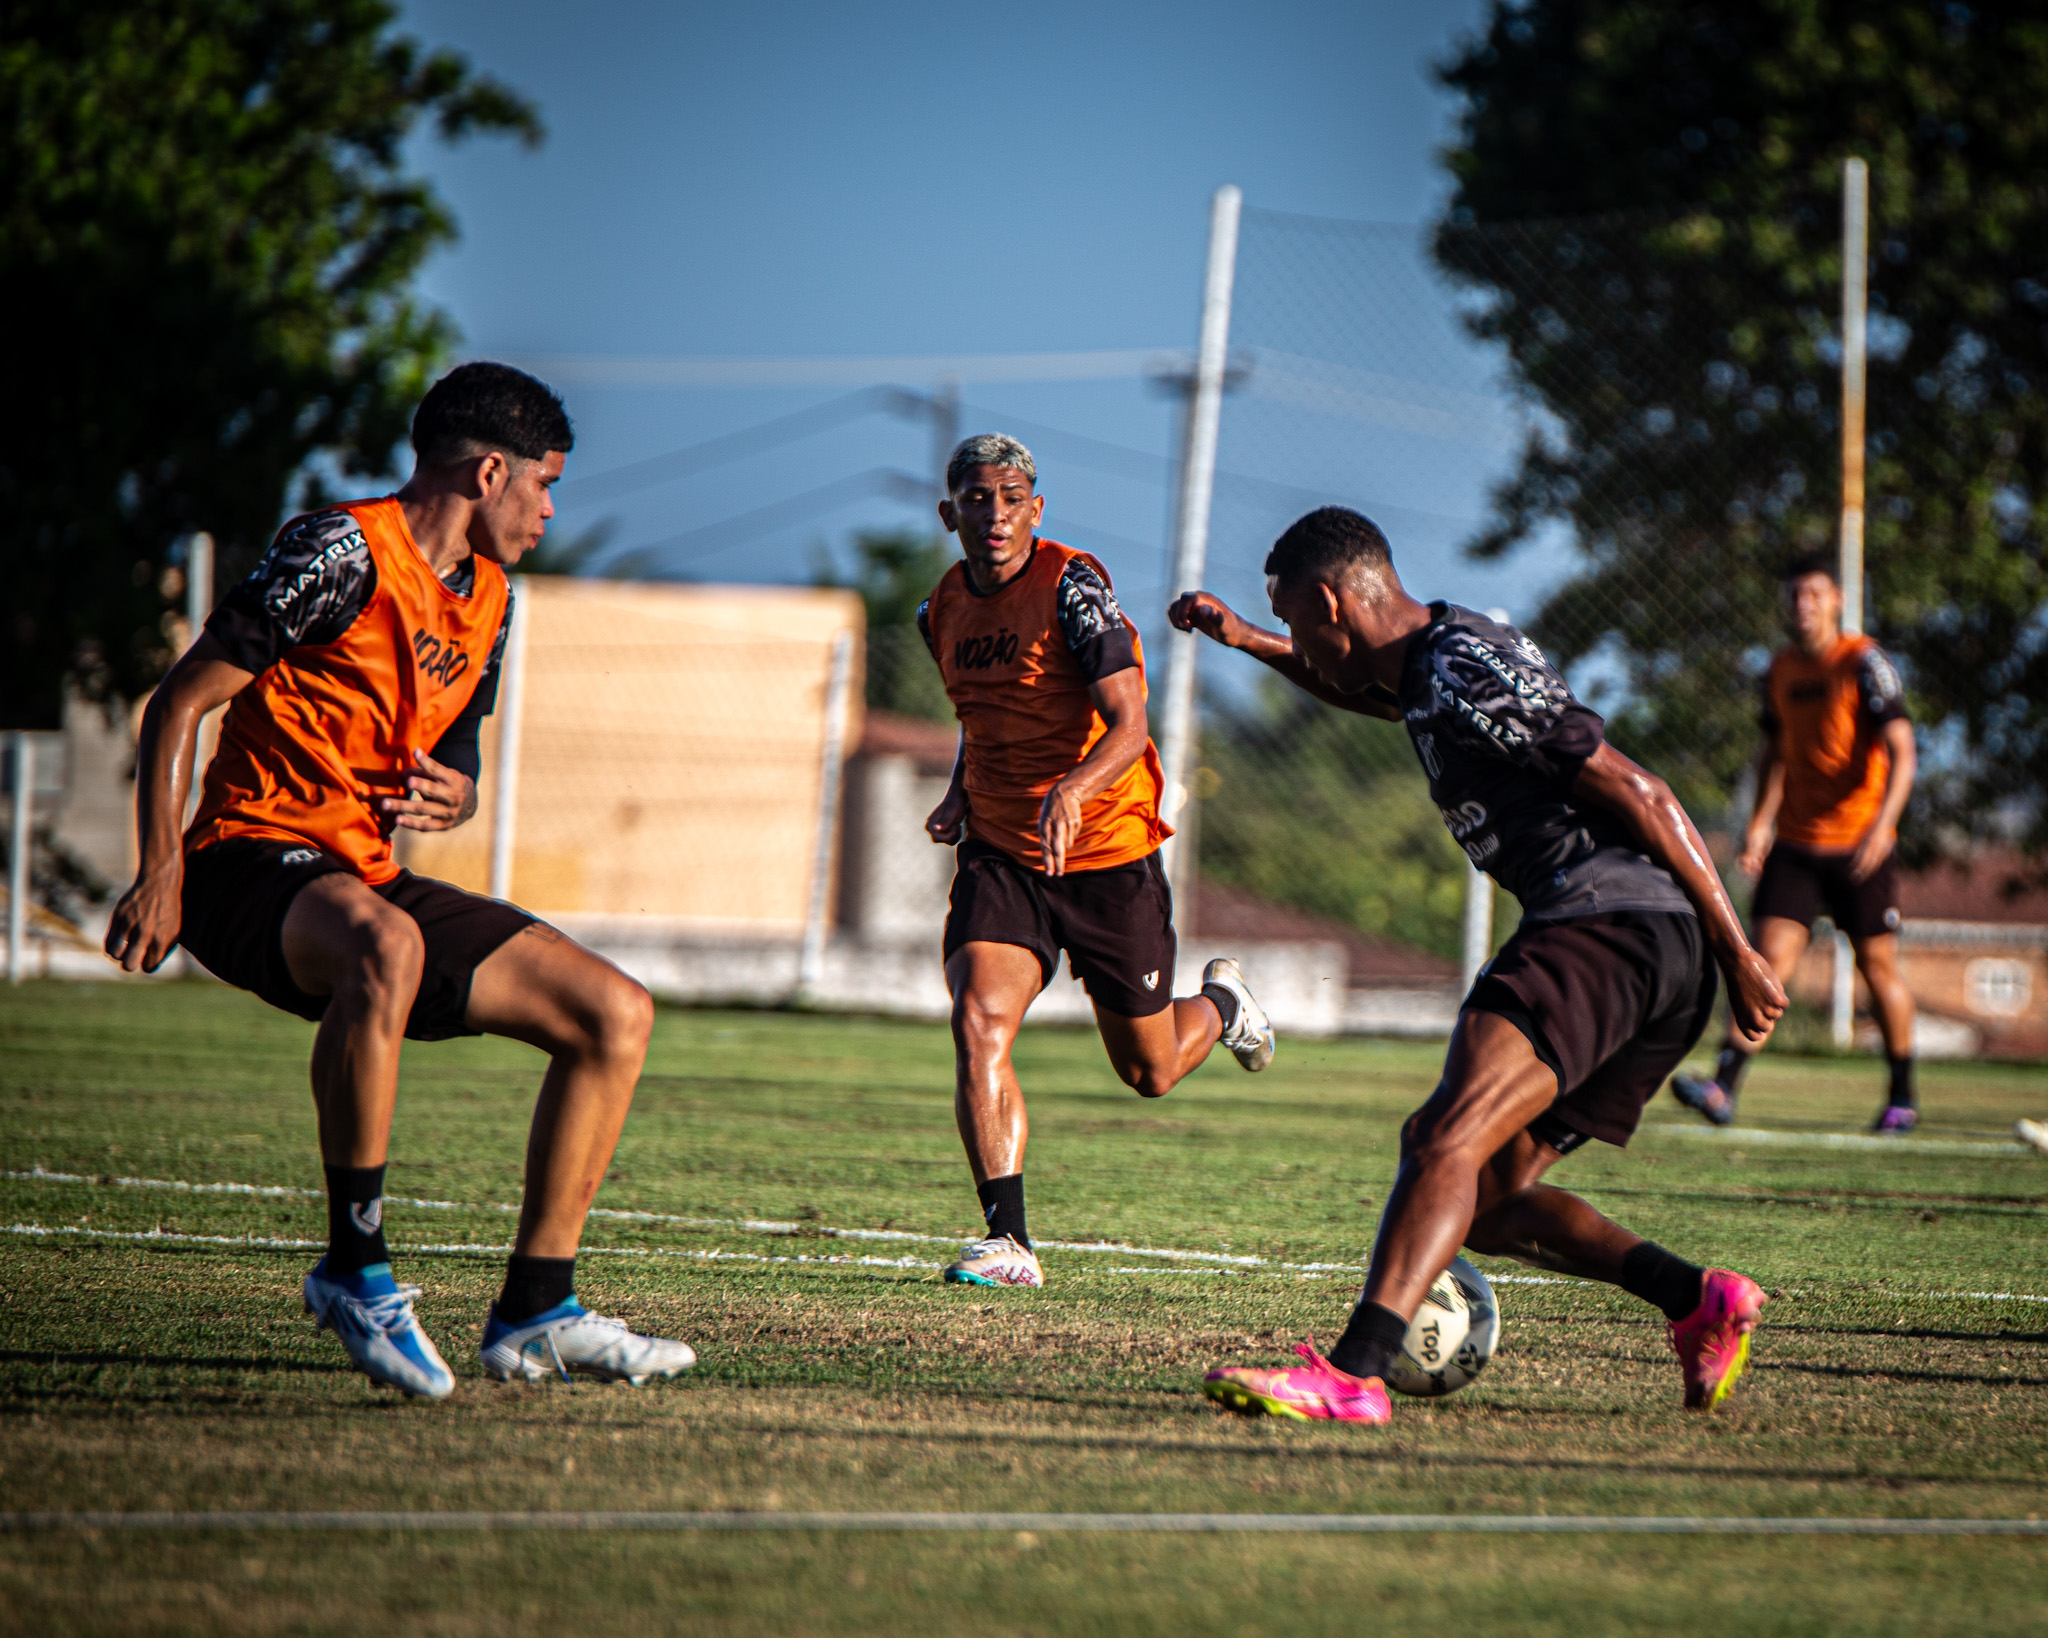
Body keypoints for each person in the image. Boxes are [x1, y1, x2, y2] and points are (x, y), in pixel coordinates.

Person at [104, 363, 695, 1400]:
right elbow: (180, 702)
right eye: (545, 485)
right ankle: (355, 1271)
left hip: (363, 874)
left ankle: (536, 1313)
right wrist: (161, 871)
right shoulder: (339, 552)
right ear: (490, 473)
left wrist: (457, 794)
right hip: (246, 860)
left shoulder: (492, 597)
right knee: (389, 944)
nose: (550, 511)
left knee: (615, 1012)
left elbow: (456, 754)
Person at [1172, 507, 1786, 1421]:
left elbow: (1640, 789)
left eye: (1296, 622)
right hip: (1647, 951)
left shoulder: (1461, 668)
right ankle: (1697, 1298)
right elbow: (1367, 694)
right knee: (1487, 1198)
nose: (1299, 643)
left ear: (1333, 604)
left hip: (1607, 922)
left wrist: (1741, 950)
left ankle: (1353, 1375)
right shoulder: (1426, 670)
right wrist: (1250, 641)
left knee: (1440, 1140)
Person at [917, 433, 1275, 1287]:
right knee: (978, 1020)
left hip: (1107, 851)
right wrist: (962, 790)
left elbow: (1129, 723)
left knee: (1150, 1070)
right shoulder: (940, 610)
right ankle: (1008, 1241)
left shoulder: (1073, 587)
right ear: (949, 514)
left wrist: (1074, 788)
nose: (995, 513)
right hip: (1003, 852)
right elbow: (983, 713)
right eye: (976, 498)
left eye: (1011, 499)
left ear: (1035, 510)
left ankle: (1222, 1004)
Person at [1670, 552, 1919, 1132]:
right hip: (1798, 842)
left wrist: (1883, 827)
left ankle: (1902, 1097)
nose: (1803, 605)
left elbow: (1903, 751)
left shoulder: (1865, 662)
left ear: (1837, 600)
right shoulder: (1779, 669)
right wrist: (1761, 822)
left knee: (1877, 967)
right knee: (1766, 960)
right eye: (1794, 595)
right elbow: (1775, 751)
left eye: (1814, 594)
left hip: (1860, 842)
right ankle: (1723, 1086)